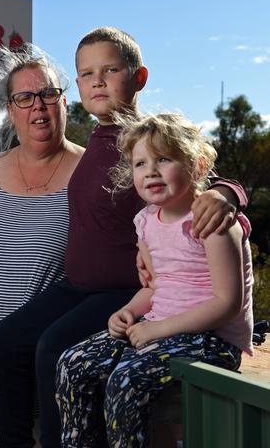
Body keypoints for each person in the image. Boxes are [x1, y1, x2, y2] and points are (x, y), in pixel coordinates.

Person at [0, 27, 248, 448]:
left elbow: (203, 184)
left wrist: (228, 194)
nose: (98, 81)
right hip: (77, 287)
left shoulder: (147, 140)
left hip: (122, 290)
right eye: (86, 74)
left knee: (53, 348)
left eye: (110, 70)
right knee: (1, 342)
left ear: (138, 78)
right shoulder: (94, 141)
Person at [56, 113, 254, 448]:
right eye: (140, 163)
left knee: (126, 380)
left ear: (199, 165)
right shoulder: (146, 221)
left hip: (213, 340)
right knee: (72, 363)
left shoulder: (214, 224)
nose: (150, 170)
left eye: (164, 159)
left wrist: (156, 330)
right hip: (160, 329)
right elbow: (153, 286)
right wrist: (129, 313)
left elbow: (226, 303)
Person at [0, 44, 85, 448]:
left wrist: (228, 194)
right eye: (24, 97)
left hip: (43, 363)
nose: (37, 106)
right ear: (10, 109)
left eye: (47, 94)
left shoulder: (90, 171)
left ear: (63, 101)